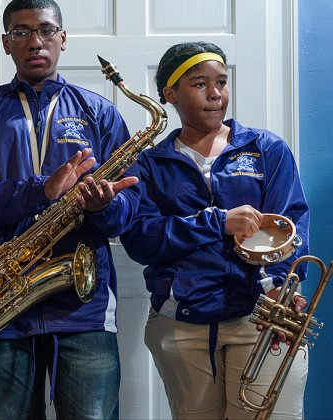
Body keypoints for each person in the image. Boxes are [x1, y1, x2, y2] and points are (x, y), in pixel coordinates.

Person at [0, 0, 140, 418]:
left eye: (47, 31)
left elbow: (128, 213)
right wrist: (42, 190)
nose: (35, 41)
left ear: (63, 39)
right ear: (5, 42)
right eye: (21, 32)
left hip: (83, 308)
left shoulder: (100, 112)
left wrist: (104, 206)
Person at [120, 41, 310, 419]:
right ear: (170, 94)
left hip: (262, 316)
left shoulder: (266, 149)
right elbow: (141, 240)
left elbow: (291, 225)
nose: (215, 94)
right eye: (199, 83)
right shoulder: (149, 163)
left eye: (221, 82)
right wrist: (217, 222)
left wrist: (281, 288)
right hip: (181, 322)